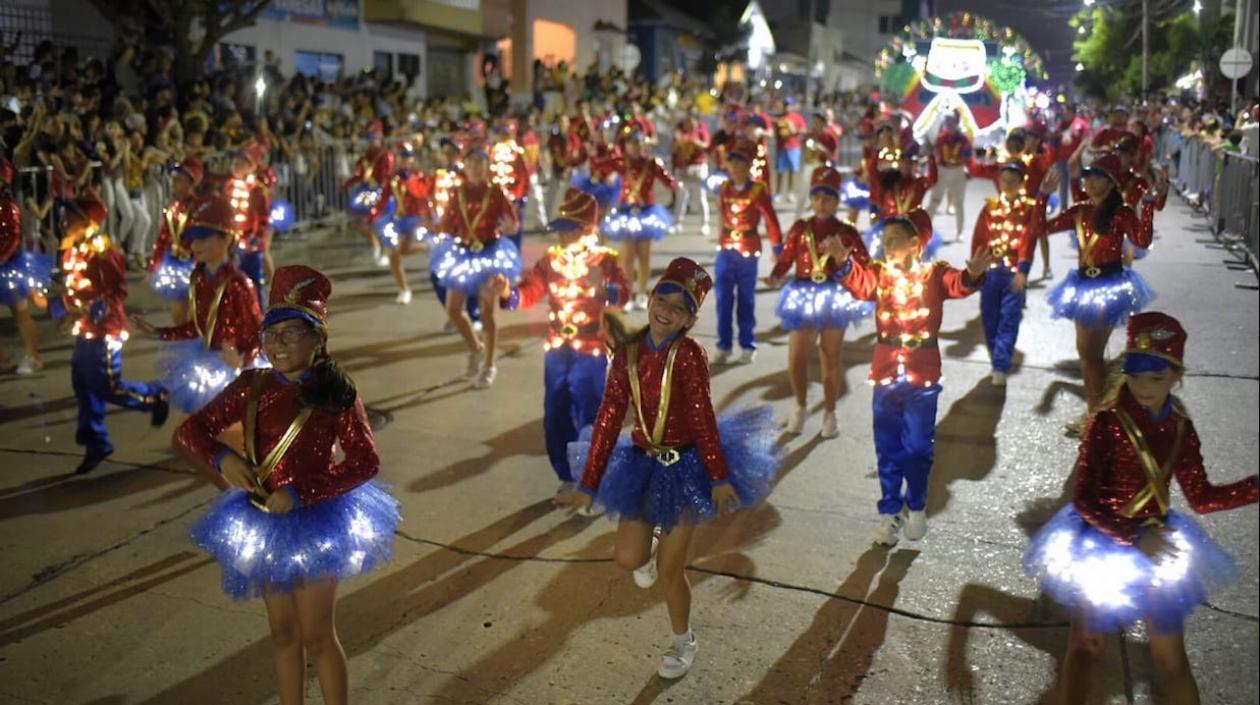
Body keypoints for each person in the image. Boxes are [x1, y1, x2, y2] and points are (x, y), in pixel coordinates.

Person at [178, 265, 401, 705]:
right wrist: (224, 458)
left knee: (317, 635)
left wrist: (301, 493)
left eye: (291, 333)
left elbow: (365, 462)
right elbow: (192, 430)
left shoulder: (337, 394)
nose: (277, 344)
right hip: (263, 519)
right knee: (282, 632)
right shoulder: (251, 386)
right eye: (270, 334)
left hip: (317, 521)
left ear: (318, 339)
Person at [555, 257, 778, 681]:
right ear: (651, 298)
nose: (667, 311)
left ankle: (682, 639)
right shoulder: (628, 353)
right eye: (663, 299)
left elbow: (703, 418)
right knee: (629, 558)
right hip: (642, 462)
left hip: (687, 465)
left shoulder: (689, 356)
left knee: (672, 572)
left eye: (680, 308)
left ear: (690, 320)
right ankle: (650, 549)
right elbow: (608, 418)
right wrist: (588, 483)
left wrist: (718, 476)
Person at [1024, 312, 1258, 705]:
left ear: (1176, 376)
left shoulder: (1181, 427)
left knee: (1170, 660)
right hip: (1101, 543)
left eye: (1156, 377)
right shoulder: (1107, 422)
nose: (1144, 387)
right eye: (1135, 375)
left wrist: (1253, 487)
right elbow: (1085, 500)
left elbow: (1202, 497)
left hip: (1158, 548)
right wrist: (1134, 536)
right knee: (1085, 646)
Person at [829, 210, 991, 545]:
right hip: (885, 374)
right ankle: (890, 512)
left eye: (894, 241)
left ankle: (916, 504)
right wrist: (844, 264)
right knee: (887, 447)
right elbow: (859, 282)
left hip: (923, 376)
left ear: (915, 243)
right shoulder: (879, 274)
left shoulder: (935, 274)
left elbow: (958, 284)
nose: (887, 248)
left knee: (917, 447)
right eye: (884, 241)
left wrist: (973, 275)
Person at [490, 188, 629, 491]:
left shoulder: (605, 261)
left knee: (590, 414)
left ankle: (592, 476)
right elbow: (529, 292)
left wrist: (603, 289)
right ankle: (567, 475)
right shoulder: (550, 262)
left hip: (591, 349)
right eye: (560, 230)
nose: (562, 236)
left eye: (570, 230)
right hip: (557, 349)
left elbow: (624, 296)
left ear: (588, 230)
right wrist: (508, 293)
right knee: (555, 413)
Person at [50, 193, 168, 474]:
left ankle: (154, 396)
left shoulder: (105, 252)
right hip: (84, 329)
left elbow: (116, 292)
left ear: (87, 222)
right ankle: (96, 444)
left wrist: (91, 309)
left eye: (71, 218)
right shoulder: (70, 250)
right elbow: (67, 288)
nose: (64, 223)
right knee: (83, 383)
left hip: (105, 330)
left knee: (107, 385)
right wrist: (59, 306)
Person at [1036, 156, 1155, 414]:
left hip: (1108, 288)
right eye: (1087, 176)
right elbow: (1041, 228)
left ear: (1111, 183)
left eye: (1097, 177)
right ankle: (1094, 414)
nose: (1090, 182)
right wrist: (1043, 196)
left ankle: (1097, 416)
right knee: (1085, 355)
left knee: (1092, 354)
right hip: (1082, 286)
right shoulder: (1079, 211)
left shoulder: (1121, 212)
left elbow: (1142, 241)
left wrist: (1147, 205)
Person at [131, 194, 262, 413]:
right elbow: (200, 328)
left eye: (203, 238)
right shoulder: (199, 279)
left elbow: (258, 333)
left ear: (227, 239)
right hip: (208, 366)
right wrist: (160, 333)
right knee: (194, 428)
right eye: (192, 239)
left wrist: (242, 360)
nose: (194, 245)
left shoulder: (238, 284)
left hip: (234, 373)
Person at [766, 167, 871, 438]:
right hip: (803, 295)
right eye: (816, 197)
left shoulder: (847, 231)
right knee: (796, 358)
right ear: (811, 199)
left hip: (834, 297)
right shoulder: (801, 228)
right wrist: (775, 276)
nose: (821, 203)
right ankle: (800, 407)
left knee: (830, 356)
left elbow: (865, 264)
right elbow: (787, 258)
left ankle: (830, 413)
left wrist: (843, 260)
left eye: (828, 198)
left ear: (837, 201)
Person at [430, 143, 520, 388]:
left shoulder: (496, 191)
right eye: (470, 162)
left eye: (479, 162)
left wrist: (510, 226)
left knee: (487, 313)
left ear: (486, 165)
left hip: (490, 253)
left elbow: (513, 221)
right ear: (465, 166)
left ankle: (489, 365)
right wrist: (435, 228)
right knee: (453, 310)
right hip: (462, 253)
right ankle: (475, 348)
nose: (474, 166)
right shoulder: (457, 191)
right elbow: (447, 224)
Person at [712, 139, 782, 366]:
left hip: (748, 250)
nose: (735, 167)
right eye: (732, 162)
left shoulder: (758, 190)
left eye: (739, 162)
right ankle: (724, 344)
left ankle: (747, 344)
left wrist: (777, 248)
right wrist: (720, 238)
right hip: (726, 249)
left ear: (748, 164)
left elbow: (771, 220)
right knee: (723, 299)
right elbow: (721, 215)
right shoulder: (724, 188)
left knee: (746, 300)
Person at [971, 164, 1039, 386]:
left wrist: (1022, 271)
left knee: (1009, 318)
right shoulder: (990, 208)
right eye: (1004, 180)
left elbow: (1028, 240)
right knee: (989, 318)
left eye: (1012, 181)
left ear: (1021, 183)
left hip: (1013, 273)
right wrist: (977, 268)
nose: (1007, 185)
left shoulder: (1028, 210)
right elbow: (980, 238)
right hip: (991, 271)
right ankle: (996, 359)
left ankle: (1001, 364)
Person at [596, 124, 677, 311]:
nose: (636, 147)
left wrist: (672, 180)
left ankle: (642, 293)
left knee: (644, 256)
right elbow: (599, 169)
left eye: (639, 143)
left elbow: (670, 182)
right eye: (632, 143)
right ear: (626, 145)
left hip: (646, 213)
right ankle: (627, 294)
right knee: (626, 257)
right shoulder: (620, 162)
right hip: (625, 213)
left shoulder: (652, 163)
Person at [1, 155, 51, 374]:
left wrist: (1, 259)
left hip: (10, 266)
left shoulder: (8, 206)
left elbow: (14, 237)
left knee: (20, 314)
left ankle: (34, 357)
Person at [148, 155, 204, 324]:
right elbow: (164, 235)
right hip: (174, 262)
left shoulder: (198, 208)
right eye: (173, 179)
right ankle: (182, 334)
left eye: (178, 180)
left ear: (191, 183)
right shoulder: (172, 206)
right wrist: (155, 264)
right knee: (178, 308)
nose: (173, 183)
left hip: (194, 263)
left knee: (196, 307)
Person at [341, 119, 395, 268]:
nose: (371, 142)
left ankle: (385, 253)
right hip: (367, 193)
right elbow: (359, 174)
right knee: (362, 223)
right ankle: (376, 245)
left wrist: (381, 194)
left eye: (374, 138)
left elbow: (386, 177)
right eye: (369, 139)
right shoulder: (365, 157)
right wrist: (347, 183)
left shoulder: (386, 155)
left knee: (384, 225)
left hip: (383, 194)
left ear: (380, 137)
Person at [926, 112, 972, 240]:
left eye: (952, 122)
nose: (949, 125)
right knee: (934, 201)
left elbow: (968, 155)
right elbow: (934, 152)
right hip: (943, 171)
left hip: (957, 171)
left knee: (959, 203)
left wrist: (962, 163)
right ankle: (925, 229)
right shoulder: (942, 137)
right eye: (948, 122)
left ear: (957, 123)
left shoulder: (963, 139)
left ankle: (960, 233)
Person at [671, 113, 711, 236]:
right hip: (682, 168)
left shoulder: (701, 130)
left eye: (692, 121)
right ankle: (677, 223)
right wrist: (679, 142)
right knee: (681, 196)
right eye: (687, 121)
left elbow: (707, 145)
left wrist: (696, 142)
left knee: (700, 197)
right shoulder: (679, 132)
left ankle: (705, 224)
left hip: (698, 167)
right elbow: (673, 149)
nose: (689, 124)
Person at [773, 98, 807, 204]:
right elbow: (775, 132)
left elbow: (804, 129)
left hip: (794, 147)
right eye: (785, 105)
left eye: (788, 105)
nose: (786, 107)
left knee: (793, 170)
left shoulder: (797, 117)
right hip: (782, 147)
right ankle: (778, 193)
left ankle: (791, 193)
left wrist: (794, 129)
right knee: (780, 170)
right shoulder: (780, 118)